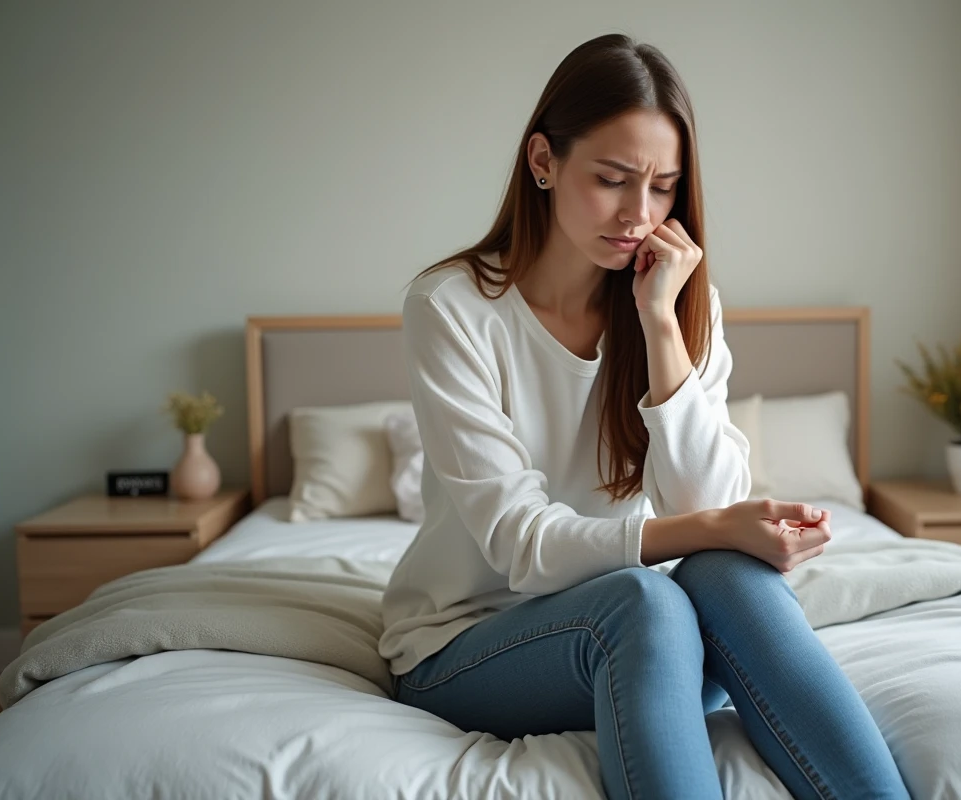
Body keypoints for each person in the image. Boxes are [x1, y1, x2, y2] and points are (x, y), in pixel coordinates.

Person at [379, 33, 910, 800]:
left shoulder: (679, 297)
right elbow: (522, 546)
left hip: (642, 648)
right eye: (613, 180)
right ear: (543, 162)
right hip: (463, 647)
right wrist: (710, 531)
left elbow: (704, 506)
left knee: (723, 575)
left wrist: (662, 325)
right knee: (646, 594)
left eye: (663, 187)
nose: (639, 214)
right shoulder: (453, 307)